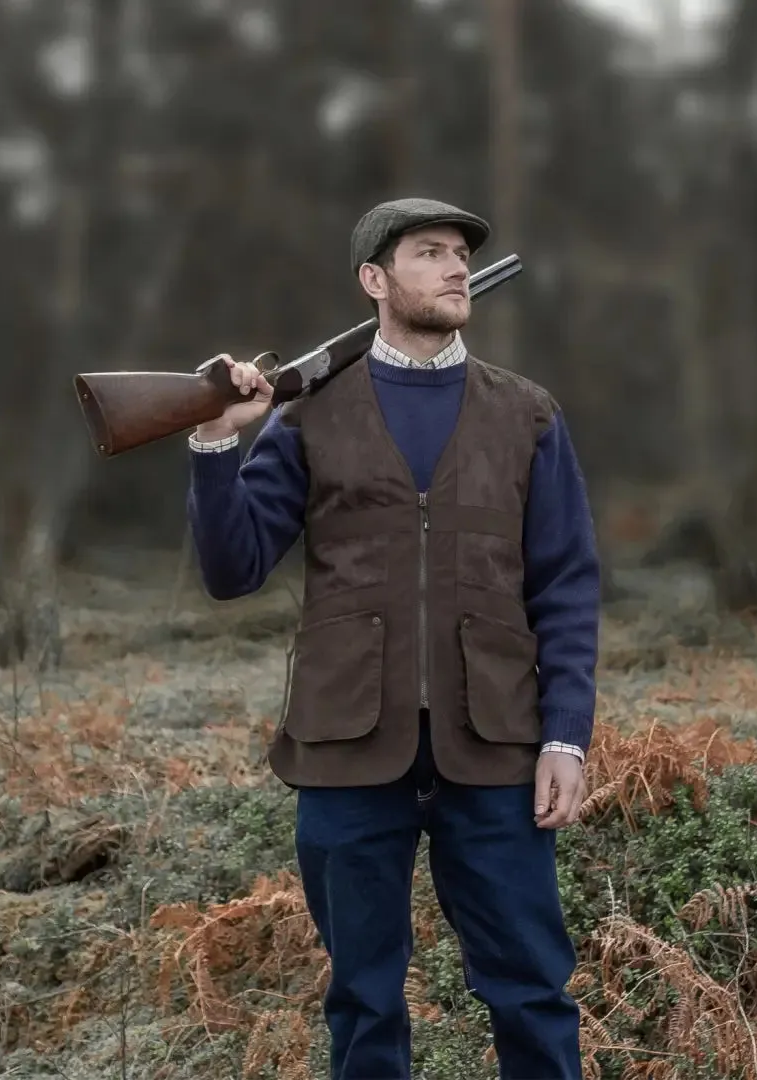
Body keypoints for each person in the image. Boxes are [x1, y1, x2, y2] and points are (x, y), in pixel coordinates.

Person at [186, 197, 600, 1079]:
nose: (455, 268)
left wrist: (565, 732)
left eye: (459, 254)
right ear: (375, 280)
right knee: (364, 997)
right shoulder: (307, 415)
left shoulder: (527, 414)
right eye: (429, 253)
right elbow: (233, 569)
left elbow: (566, 586)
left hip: (495, 746)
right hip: (345, 747)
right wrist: (216, 443)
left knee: (531, 988)